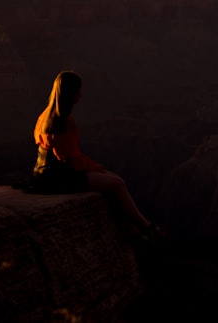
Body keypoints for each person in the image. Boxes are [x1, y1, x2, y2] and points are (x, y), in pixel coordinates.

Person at [28, 70, 161, 240]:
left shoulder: (45, 116)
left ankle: (131, 227)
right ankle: (145, 226)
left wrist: (94, 168)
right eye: (78, 90)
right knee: (118, 183)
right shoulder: (63, 122)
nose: (80, 94)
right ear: (71, 93)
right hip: (58, 176)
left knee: (111, 179)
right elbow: (69, 158)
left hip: (44, 172)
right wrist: (94, 167)